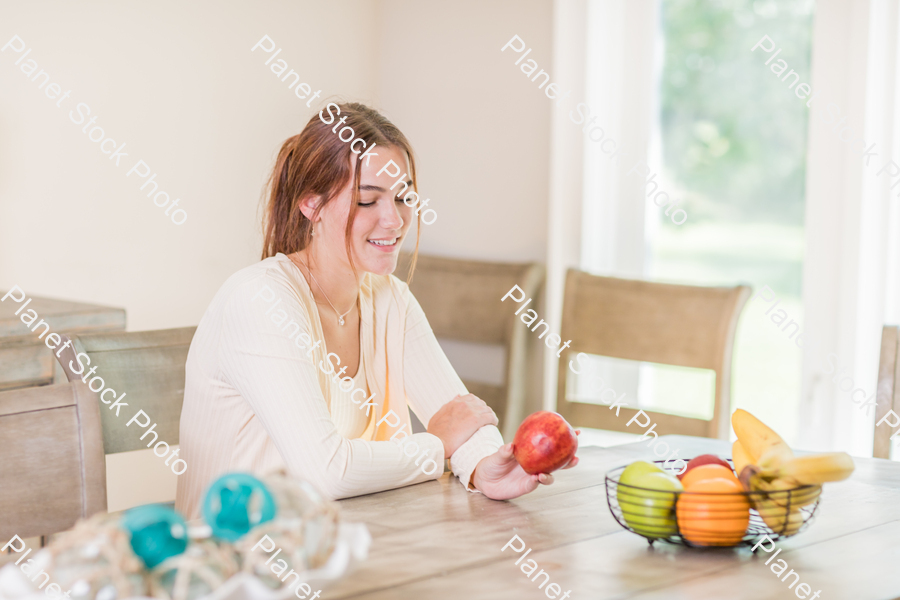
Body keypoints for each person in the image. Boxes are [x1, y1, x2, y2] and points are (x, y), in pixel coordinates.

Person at [175, 102, 577, 519]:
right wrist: (438, 445)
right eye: (368, 201)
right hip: (233, 568)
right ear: (311, 204)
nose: (394, 220)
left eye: (403, 197)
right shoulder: (260, 299)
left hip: (342, 550)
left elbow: (459, 414)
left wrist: (485, 466)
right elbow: (326, 474)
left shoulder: (390, 299)